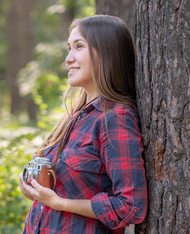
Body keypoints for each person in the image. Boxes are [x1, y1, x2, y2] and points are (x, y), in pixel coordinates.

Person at [19, 15, 148, 234]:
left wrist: (59, 203)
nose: (68, 59)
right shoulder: (76, 117)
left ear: (107, 52)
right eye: (69, 48)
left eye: (79, 47)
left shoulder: (115, 118)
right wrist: (31, 185)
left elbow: (131, 206)